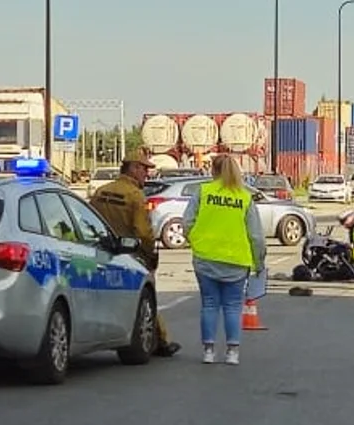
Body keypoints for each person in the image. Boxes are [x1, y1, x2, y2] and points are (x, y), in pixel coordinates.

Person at [89, 148, 181, 357]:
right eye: (144, 169)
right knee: (145, 297)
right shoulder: (134, 195)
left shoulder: (102, 191)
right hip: (130, 254)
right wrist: (149, 254)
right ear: (133, 168)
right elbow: (143, 232)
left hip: (100, 252)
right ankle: (161, 341)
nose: (146, 174)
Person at [182, 154, 266, 365]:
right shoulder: (244, 197)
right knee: (233, 306)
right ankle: (232, 352)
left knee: (209, 304)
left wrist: (195, 241)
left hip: (205, 257)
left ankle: (208, 351)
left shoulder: (203, 192)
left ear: (213, 171)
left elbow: (187, 222)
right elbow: (256, 235)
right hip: (236, 261)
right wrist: (259, 263)